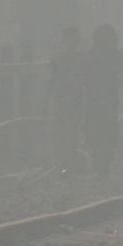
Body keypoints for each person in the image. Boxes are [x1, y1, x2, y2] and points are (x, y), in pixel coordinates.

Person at [84, 25, 123, 178]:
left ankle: (100, 162)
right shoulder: (114, 54)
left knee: (97, 131)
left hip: (96, 99)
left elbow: (83, 75)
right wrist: (115, 84)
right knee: (106, 130)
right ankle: (103, 163)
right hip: (107, 99)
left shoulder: (91, 54)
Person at [48, 27, 84, 174]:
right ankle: (62, 164)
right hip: (63, 99)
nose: (73, 43)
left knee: (72, 131)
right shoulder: (58, 58)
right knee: (62, 132)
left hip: (74, 99)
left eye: (74, 40)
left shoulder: (79, 58)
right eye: (71, 39)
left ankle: (68, 164)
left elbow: (81, 78)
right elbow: (56, 78)